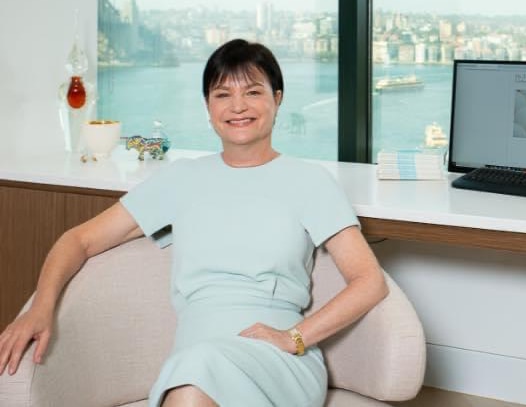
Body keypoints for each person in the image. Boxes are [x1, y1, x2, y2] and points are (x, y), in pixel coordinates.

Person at [0, 39, 388, 407]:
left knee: (192, 378)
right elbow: (79, 241)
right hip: (193, 357)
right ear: (208, 106)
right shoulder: (181, 179)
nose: (238, 106)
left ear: (277, 99)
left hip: (276, 360)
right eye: (223, 94)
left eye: (253, 92)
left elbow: (368, 281)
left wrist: (296, 338)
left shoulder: (309, 181)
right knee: (193, 375)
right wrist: (40, 308)